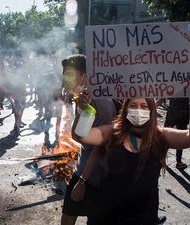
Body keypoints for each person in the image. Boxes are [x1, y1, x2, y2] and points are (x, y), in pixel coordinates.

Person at [70, 82, 190, 225]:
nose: (138, 110)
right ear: (125, 109)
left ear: (151, 111)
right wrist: (82, 111)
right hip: (106, 216)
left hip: (143, 218)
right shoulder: (113, 132)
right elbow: (80, 136)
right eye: (133, 106)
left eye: (144, 107)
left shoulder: (160, 135)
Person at [61, 54, 117, 225]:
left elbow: (94, 142)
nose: (65, 79)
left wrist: (83, 181)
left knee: (70, 217)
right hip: (90, 172)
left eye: (70, 74)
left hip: (92, 176)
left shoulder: (98, 102)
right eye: (64, 74)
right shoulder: (89, 97)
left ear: (85, 76)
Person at [164, 98, 189, 169]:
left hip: (177, 112)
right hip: (181, 112)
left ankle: (163, 159)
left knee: (165, 136)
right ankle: (178, 161)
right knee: (165, 136)